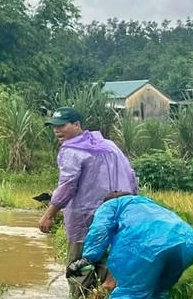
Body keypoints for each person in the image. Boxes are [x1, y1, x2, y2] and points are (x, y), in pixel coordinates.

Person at [81, 192, 193, 299]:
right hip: (187, 243)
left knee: (129, 295)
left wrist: (88, 257)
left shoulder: (112, 204)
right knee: (157, 294)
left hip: (146, 245)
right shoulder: (148, 204)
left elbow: (99, 230)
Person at [38, 107, 138, 277]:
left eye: (62, 125)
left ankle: (80, 294)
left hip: (84, 218)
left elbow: (67, 186)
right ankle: (101, 294)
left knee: (79, 267)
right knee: (108, 264)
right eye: (54, 126)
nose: (56, 130)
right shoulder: (109, 146)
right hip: (118, 214)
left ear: (77, 124)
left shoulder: (72, 150)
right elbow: (131, 176)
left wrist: (49, 215)